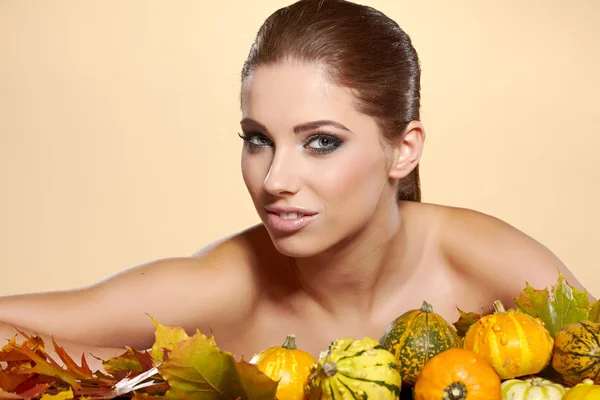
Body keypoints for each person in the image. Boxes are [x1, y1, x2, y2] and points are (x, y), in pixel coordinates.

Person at [0, 0, 593, 373]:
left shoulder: (482, 262)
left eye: (321, 141)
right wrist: (175, 379)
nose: (275, 180)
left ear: (402, 149)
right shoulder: (227, 288)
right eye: (258, 138)